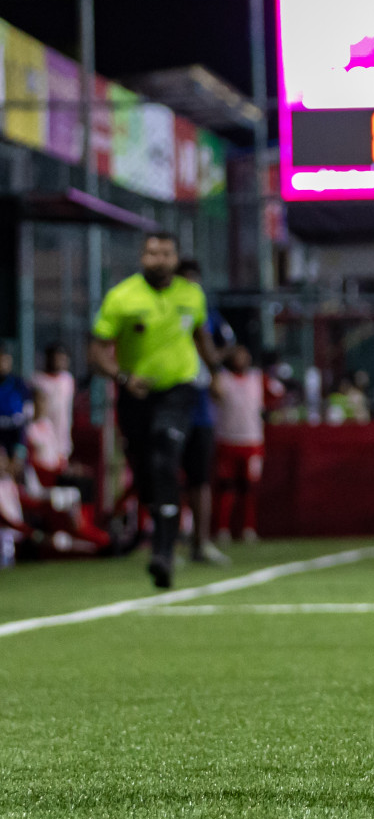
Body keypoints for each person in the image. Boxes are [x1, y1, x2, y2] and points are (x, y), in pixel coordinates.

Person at [89, 232, 224, 588]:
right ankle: (162, 535)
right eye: (152, 253)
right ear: (142, 257)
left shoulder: (191, 295)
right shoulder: (122, 297)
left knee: (166, 455)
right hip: (135, 395)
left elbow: (200, 336)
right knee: (146, 473)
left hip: (180, 390)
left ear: (176, 258)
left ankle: (163, 552)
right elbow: (98, 350)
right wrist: (121, 376)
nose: (159, 259)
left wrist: (215, 371)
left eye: (166, 253)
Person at [176, 259, 235, 564]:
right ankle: (167, 544)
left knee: (200, 477)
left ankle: (201, 543)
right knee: (165, 477)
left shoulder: (207, 314)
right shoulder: (165, 314)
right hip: (167, 401)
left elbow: (226, 345)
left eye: (194, 282)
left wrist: (215, 370)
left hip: (199, 406)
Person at [213, 344, 265, 543]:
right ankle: (222, 529)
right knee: (226, 488)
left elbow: (276, 395)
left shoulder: (257, 379)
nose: (241, 359)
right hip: (227, 440)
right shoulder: (221, 379)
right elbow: (214, 393)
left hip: (252, 441)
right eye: (237, 355)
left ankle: (248, 529)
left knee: (249, 489)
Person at [31, 344, 74, 466]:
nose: (59, 361)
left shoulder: (68, 380)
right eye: (56, 357)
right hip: (42, 436)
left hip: (62, 438)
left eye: (62, 358)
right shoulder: (37, 380)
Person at [0, 345, 32, 459]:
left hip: (16, 441)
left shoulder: (19, 385)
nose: (3, 363)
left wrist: (20, 449)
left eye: (5, 359)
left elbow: (27, 416)